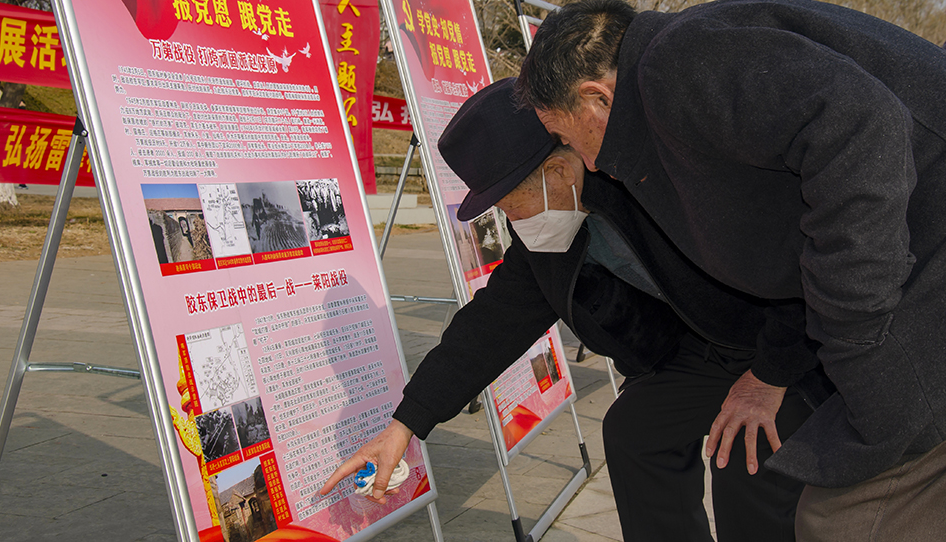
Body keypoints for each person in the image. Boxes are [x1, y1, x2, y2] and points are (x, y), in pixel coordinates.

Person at [515, 0, 946, 540]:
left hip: (916, 280)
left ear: (596, 97)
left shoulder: (677, 65)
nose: (584, 160)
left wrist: (855, 329)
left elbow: (861, 123)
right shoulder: (682, 66)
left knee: (847, 521)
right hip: (909, 271)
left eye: (567, 137)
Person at [320, 78, 817, 542]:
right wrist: (406, 424)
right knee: (634, 433)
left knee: (746, 458)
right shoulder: (547, 230)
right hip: (695, 346)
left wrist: (768, 378)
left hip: (783, 336)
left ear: (557, 171)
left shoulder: (666, 171)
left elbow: (799, 260)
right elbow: (492, 324)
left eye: (509, 205)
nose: (511, 220)